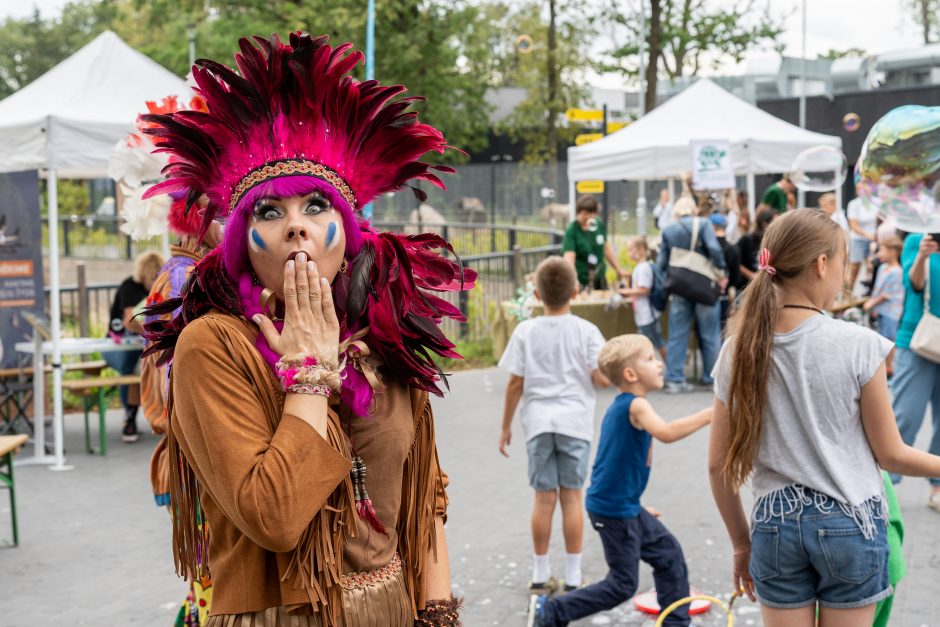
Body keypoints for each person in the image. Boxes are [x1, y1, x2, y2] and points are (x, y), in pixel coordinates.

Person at [140, 33, 473, 626]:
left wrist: (438, 613)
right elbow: (274, 515)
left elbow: (427, 498)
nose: (297, 227)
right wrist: (309, 375)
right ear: (243, 241)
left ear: (346, 229)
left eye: (316, 207)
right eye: (271, 212)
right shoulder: (213, 346)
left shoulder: (384, 336)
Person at [708, 209, 940, 626]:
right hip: (850, 523)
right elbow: (891, 455)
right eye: (843, 262)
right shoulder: (858, 344)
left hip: (773, 527)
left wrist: (742, 545)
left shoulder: (736, 350)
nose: (844, 275)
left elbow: (717, 467)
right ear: (820, 264)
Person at [528, 334, 711, 627]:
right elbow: (666, 432)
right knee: (623, 583)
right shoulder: (636, 405)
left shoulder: (625, 405)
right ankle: (551, 612)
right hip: (615, 510)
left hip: (623, 506)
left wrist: (636, 509)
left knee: (668, 554)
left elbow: (615, 465)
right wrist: (712, 412)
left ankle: (675, 622)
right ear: (630, 373)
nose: (660, 364)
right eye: (651, 359)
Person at [498, 256, 608, 594]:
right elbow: (600, 377)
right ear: (575, 291)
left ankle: (540, 574)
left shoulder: (525, 331)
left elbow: (515, 383)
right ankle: (574, 577)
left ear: (535, 292)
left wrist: (505, 427)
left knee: (543, 500)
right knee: (572, 498)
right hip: (575, 422)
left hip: (539, 424)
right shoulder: (588, 332)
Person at [139, 194, 221, 627]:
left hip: (190, 456)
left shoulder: (177, 274)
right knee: (213, 581)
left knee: (207, 580)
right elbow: (182, 381)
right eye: (220, 215)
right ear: (199, 224)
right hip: (195, 458)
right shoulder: (184, 277)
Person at [889, 233, 940, 511]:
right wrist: (923, 254)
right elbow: (914, 284)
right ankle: (885, 484)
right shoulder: (917, 241)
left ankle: (937, 487)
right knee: (906, 416)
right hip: (918, 340)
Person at [657, 197, 726, 394]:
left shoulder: (669, 230)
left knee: (678, 333)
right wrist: (721, 270)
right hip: (704, 285)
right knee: (710, 333)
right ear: (692, 210)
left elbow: (662, 263)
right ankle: (710, 379)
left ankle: (675, 379)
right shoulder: (703, 224)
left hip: (679, 288)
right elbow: (714, 250)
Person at [104, 250, 163, 443]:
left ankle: (161, 414)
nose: (155, 280)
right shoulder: (130, 287)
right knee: (129, 364)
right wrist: (151, 333)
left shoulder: (158, 287)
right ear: (145, 273)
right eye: (153, 276)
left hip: (141, 344)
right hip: (116, 346)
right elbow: (130, 320)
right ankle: (129, 418)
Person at [562, 195, 629, 291]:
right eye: (584, 213)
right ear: (578, 212)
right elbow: (569, 258)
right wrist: (573, 280)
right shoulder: (572, 230)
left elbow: (606, 249)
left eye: (590, 214)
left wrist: (619, 269)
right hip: (581, 280)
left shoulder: (598, 225)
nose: (587, 217)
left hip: (599, 277)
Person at [617, 236, 665, 360]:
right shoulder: (640, 267)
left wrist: (626, 292)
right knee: (654, 342)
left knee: (657, 343)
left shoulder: (643, 268)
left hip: (647, 315)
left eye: (630, 249)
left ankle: (671, 369)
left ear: (641, 249)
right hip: (643, 314)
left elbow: (644, 289)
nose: (629, 253)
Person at [864, 235, 904, 351]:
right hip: (881, 309)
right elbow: (878, 289)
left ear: (892, 252)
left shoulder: (897, 272)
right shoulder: (882, 268)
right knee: (881, 337)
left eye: (882, 250)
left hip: (891, 312)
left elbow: (886, 295)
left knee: (889, 340)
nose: (879, 254)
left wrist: (871, 304)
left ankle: (890, 366)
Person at [709, 213, 742, 331]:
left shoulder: (706, 248)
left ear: (712, 226)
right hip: (725, 297)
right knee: (723, 331)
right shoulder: (733, 249)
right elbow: (736, 279)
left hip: (707, 296)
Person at [846, 190, 879, 292]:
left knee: (872, 266)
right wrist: (868, 235)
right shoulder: (854, 204)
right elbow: (853, 226)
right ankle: (848, 293)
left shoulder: (877, 202)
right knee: (854, 267)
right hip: (858, 239)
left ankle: (869, 292)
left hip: (874, 239)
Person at [736, 208, 776, 285]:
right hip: (746, 286)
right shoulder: (748, 239)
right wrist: (752, 275)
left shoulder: (773, 241)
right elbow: (736, 263)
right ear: (765, 224)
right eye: (775, 223)